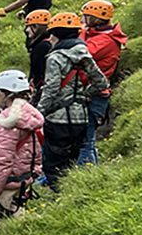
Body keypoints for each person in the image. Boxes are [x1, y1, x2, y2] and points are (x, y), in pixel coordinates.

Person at [37, 13, 109, 190]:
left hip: (58, 120)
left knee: (53, 164)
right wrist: (83, 95)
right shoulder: (85, 55)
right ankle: (72, 195)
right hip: (81, 118)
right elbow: (102, 83)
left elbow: (51, 90)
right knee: (71, 163)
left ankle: (58, 198)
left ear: (57, 34)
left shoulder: (55, 58)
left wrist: (38, 113)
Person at [0, 69, 44, 233]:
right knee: (17, 214)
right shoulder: (31, 115)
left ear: (6, 94)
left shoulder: (7, 121)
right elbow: (36, 149)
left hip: (7, 181)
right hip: (24, 177)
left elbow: (3, 160)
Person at [77, 0, 128, 166]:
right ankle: (88, 168)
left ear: (98, 19)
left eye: (87, 17)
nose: (83, 19)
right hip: (91, 91)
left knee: (86, 136)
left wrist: (80, 32)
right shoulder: (98, 35)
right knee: (85, 136)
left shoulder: (105, 41)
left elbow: (81, 52)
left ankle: (85, 170)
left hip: (94, 93)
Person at [23, 9, 52, 101]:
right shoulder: (48, 42)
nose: (27, 30)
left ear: (36, 27)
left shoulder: (41, 47)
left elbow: (38, 72)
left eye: (29, 27)